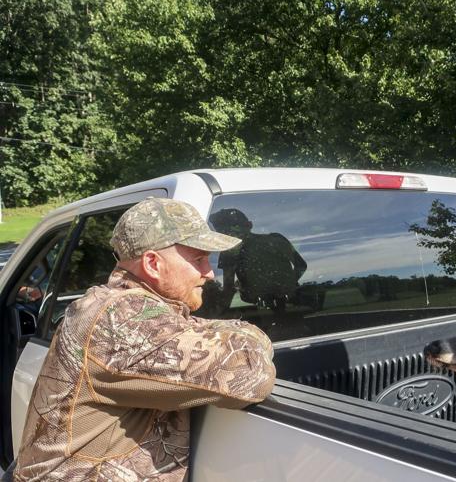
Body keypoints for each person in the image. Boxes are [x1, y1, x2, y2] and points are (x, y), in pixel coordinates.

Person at [13, 197, 276, 481]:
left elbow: (193, 326)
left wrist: (238, 333)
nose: (209, 273)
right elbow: (249, 373)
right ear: (152, 263)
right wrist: (255, 337)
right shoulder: (121, 321)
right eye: (198, 259)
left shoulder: (117, 306)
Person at [209, 208, 307, 314]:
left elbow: (228, 288)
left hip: (283, 307)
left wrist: (284, 289)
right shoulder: (275, 240)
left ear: (249, 225)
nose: (231, 234)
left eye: (235, 228)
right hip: (264, 309)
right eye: (224, 231)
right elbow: (228, 287)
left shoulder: (275, 240)